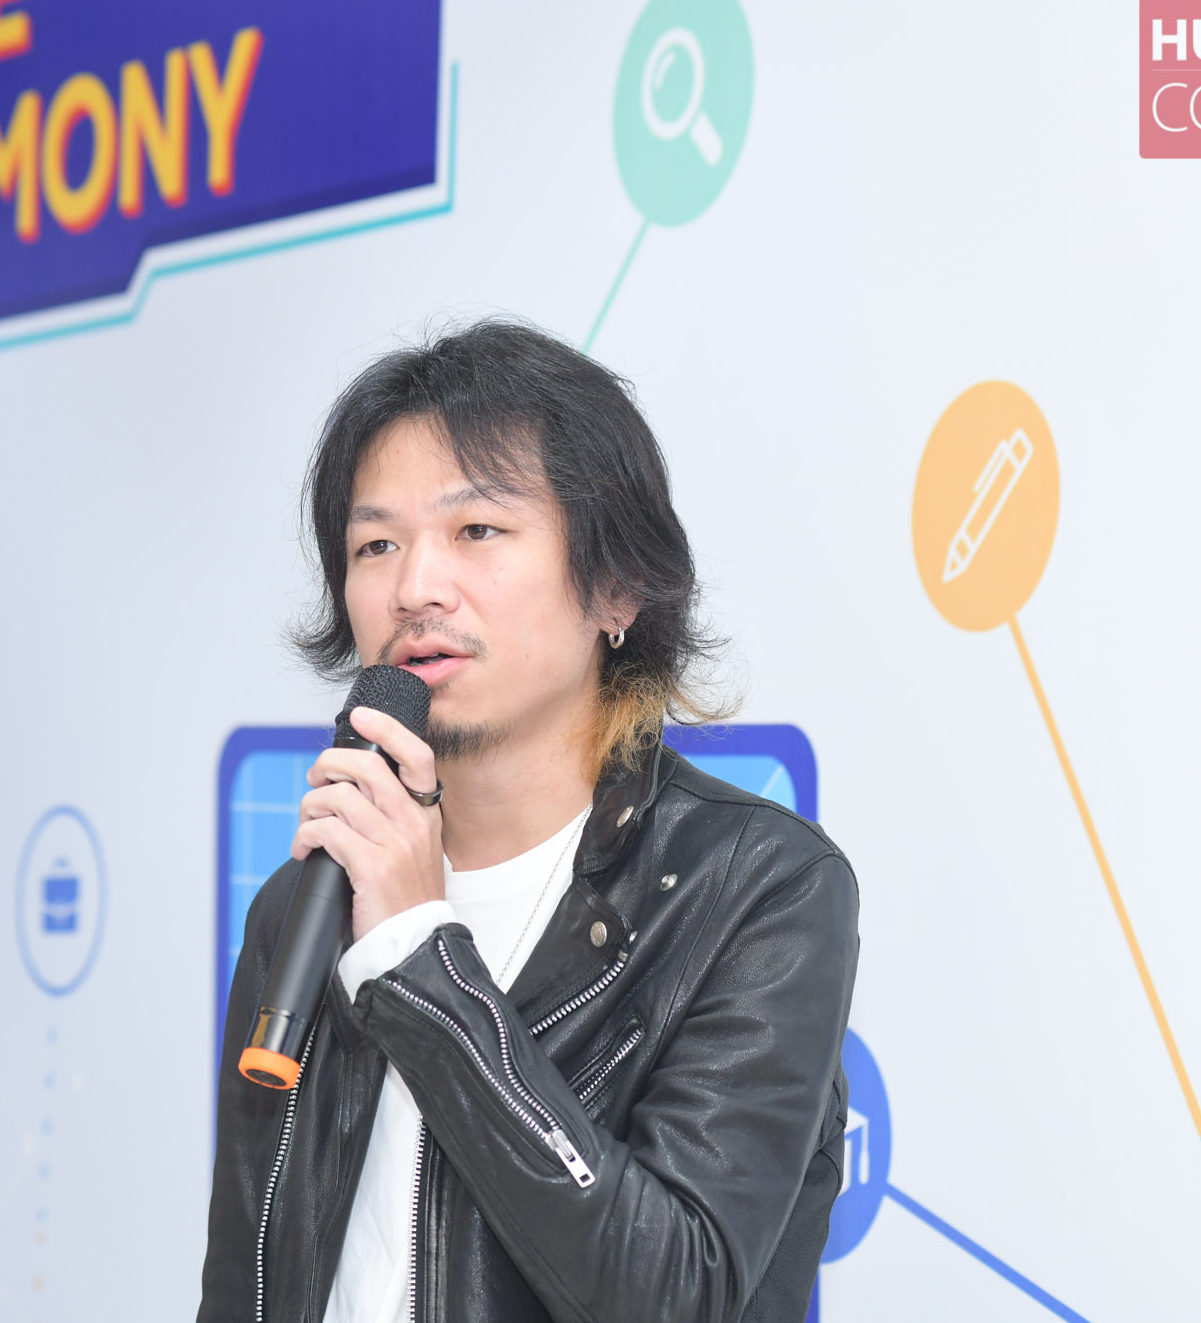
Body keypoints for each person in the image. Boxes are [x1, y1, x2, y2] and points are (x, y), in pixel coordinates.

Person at [199, 318, 859, 1323]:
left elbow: (675, 1293)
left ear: (614, 587)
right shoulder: (302, 909)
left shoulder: (752, 891)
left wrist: (417, 957)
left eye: (476, 531)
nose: (413, 588)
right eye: (376, 544)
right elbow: (241, 1287)